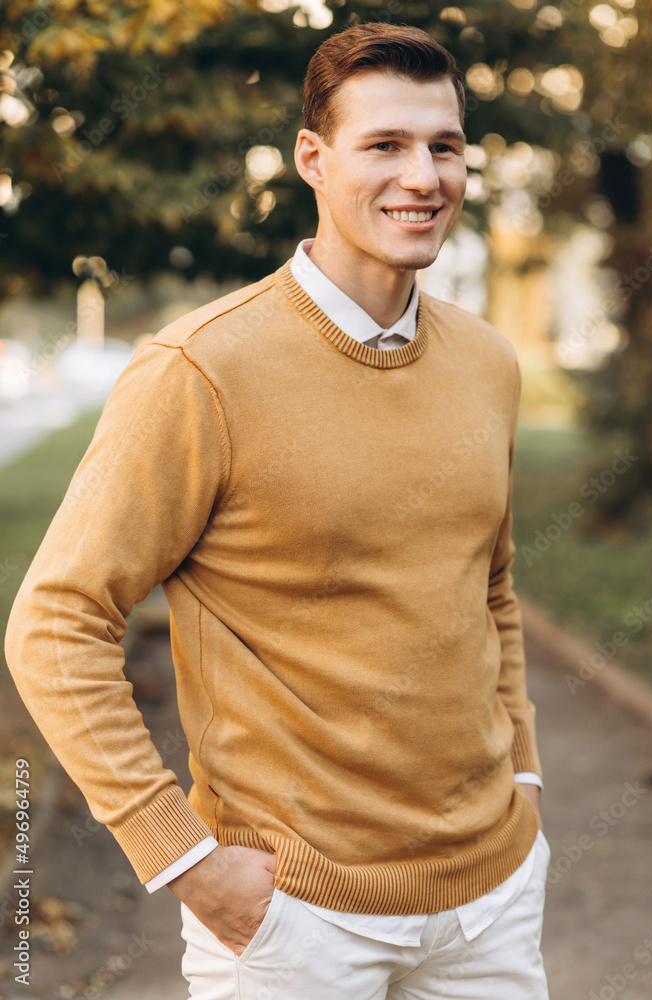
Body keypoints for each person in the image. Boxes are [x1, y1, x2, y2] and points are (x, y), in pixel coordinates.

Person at [5, 22, 551, 999]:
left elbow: (490, 587)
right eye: (383, 145)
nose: (421, 176)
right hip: (294, 921)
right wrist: (182, 857)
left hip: (490, 902)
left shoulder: (487, 362)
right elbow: (55, 623)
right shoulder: (201, 370)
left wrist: (525, 775)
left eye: (443, 146)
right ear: (312, 158)